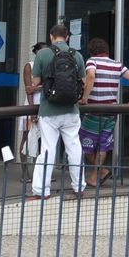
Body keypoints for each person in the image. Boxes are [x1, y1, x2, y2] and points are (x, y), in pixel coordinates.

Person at [27, 24, 86, 201]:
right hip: (71, 109)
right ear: (67, 37)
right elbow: (82, 81)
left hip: (49, 110)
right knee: (74, 147)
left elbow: (36, 82)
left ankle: (41, 190)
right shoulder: (77, 55)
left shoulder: (43, 54)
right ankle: (79, 187)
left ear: (51, 36)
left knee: (47, 149)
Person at [79, 38, 129, 188]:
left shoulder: (92, 61)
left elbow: (91, 76)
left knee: (83, 144)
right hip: (111, 111)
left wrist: (84, 98)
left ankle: (98, 174)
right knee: (102, 145)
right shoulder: (116, 64)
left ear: (91, 50)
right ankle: (99, 173)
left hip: (94, 110)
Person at [18, 41, 48, 184]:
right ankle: (25, 172)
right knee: (26, 137)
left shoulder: (49, 66)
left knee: (44, 141)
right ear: (36, 52)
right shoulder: (29, 66)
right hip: (30, 106)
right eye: (42, 51)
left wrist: (38, 87)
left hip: (46, 106)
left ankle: (40, 173)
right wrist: (31, 111)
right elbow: (28, 89)